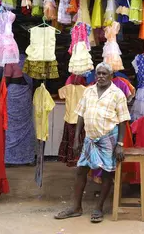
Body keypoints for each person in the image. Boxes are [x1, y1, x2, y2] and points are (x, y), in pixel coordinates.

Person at [55, 62, 130, 223]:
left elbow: (123, 121)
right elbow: (80, 114)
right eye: (99, 74)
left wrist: (120, 144)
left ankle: (99, 208)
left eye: (104, 74)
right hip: (89, 138)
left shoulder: (117, 94)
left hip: (108, 137)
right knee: (81, 171)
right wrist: (76, 139)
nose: (101, 76)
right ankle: (76, 207)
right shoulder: (88, 91)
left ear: (111, 76)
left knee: (107, 173)